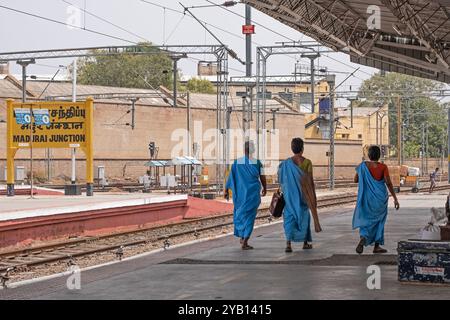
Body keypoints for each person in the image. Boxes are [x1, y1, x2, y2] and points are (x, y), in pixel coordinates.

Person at [353, 145, 400, 254]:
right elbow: (388, 183)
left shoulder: (362, 166)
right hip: (379, 199)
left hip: (366, 199)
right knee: (379, 221)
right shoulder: (383, 167)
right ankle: (377, 246)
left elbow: (355, 180)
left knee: (366, 220)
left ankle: (363, 238)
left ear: (369, 155)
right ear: (379, 156)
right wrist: (395, 198)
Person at [224, 141, 267, 250]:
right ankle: (245, 241)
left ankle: (243, 237)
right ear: (253, 150)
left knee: (241, 216)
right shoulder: (258, 163)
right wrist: (265, 188)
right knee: (250, 218)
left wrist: (225, 190)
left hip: (241, 196)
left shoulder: (236, 163)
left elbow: (230, 177)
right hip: (252, 196)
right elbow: (263, 177)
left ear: (244, 150)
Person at [278, 138, 315, 253]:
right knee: (304, 218)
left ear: (292, 149)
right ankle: (305, 243)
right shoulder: (307, 162)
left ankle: (288, 244)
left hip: (290, 197)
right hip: (303, 197)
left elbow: (280, 180)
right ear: (302, 149)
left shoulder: (285, 164)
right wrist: (313, 195)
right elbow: (310, 181)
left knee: (289, 219)